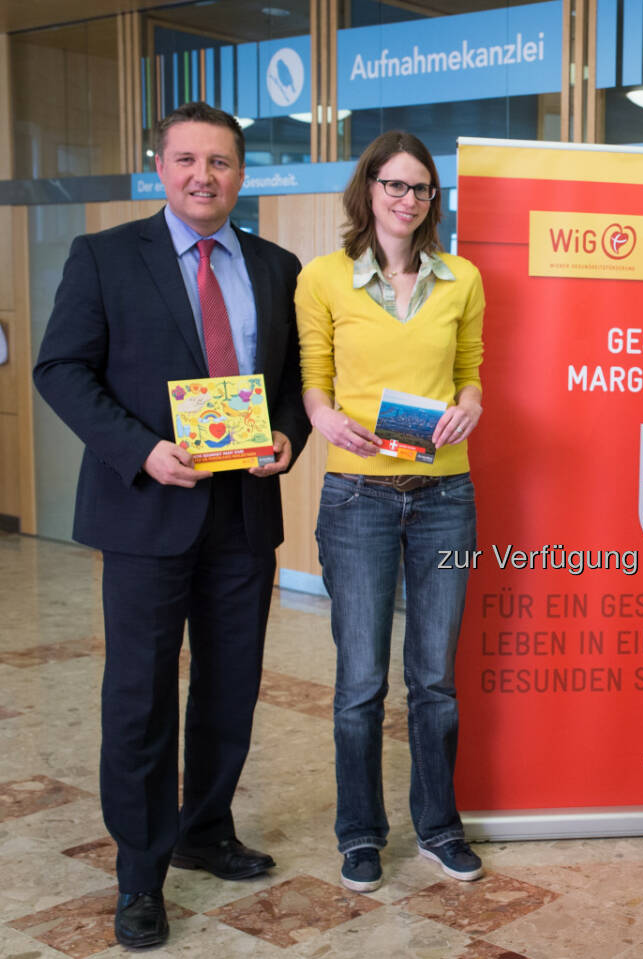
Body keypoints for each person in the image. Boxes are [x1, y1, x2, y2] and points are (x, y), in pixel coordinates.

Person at [32, 101, 308, 950]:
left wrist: (289, 437)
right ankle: (140, 872)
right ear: (160, 166)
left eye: (220, 163)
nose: (203, 176)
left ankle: (204, 827)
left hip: (242, 515)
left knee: (229, 688)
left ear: (241, 174)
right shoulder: (106, 256)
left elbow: (294, 380)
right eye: (187, 160)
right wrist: (141, 450)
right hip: (147, 508)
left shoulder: (276, 264)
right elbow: (60, 369)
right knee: (140, 697)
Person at [295, 131, 485, 893]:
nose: (408, 200)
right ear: (368, 189)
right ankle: (361, 834)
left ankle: (438, 826)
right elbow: (313, 377)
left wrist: (471, 407)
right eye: (395, 185)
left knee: (434, 678)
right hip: (358, 496)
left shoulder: (461, 278)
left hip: (445, 494)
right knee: (360, 680)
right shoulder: (324, 279)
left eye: (422, 189)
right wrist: (322, 416)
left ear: (434, 200)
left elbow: (470, 372)